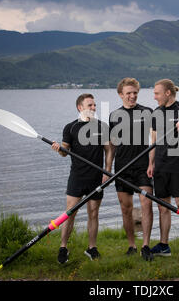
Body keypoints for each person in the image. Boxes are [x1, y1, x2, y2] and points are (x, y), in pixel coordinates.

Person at [52, 93, 113, 264]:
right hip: (77, 177)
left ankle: (91, 248)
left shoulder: (102, 127)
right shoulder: (70, 128)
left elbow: (109, 150)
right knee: (69, 214)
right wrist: (58, 149)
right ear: (80, 107)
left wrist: (107, 171)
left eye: (94, 105)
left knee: (93, 213)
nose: (94, 108)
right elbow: (65, 152)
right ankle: (63, 247)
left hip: (96, 178)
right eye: (90, 105)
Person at [147, 79, 179, 262]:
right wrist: (150, 164)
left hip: (177, 168)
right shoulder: (156, 113)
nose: (154, 97)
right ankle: (164, 245)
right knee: (163, 208)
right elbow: (153, 142)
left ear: (168, 93)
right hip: (159, 167)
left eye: (157, 93)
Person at [108, 78, 154, 261]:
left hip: (143, 166)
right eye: (128, 93)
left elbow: (155, 141)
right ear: (121, 95)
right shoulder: (114, 116)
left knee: (146, 205)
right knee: (126, 209)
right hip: (122, 168)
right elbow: (112, 145)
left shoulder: (148, 112)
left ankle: (146, 246)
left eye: (135, 92)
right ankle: (132, 245)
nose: (132, 96)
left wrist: (152, 163)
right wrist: (108, 168)